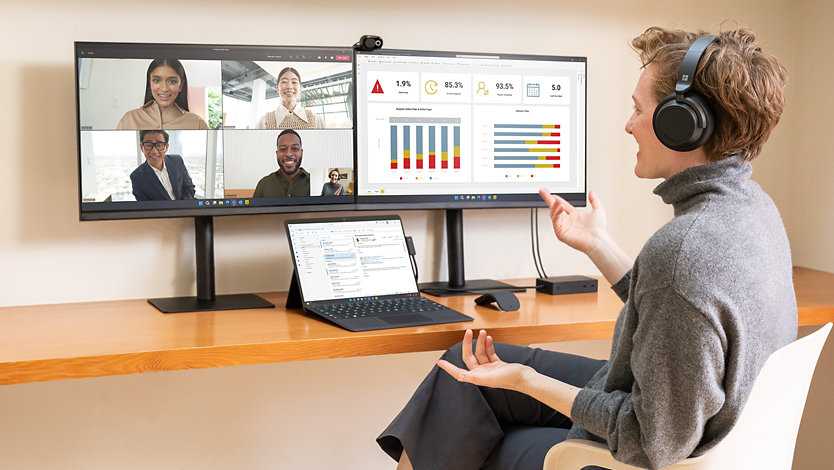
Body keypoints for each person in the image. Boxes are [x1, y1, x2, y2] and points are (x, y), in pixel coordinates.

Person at [377, 26, 797, 470]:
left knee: (465, 442)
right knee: (460, 372)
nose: (628, 124)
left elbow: (650, 440)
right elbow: (677, 315)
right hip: (692, 419)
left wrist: (525, 381)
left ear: (682, 124)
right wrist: (596, 244)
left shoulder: (683, 251)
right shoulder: (754, 210)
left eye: (638, 109)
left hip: (644, 448)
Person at [117, 59, 209, 130]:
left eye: (172, 81)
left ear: (181, 85)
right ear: (150, 83)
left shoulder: (198, 124)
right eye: (156, 80)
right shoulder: (129, 119)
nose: (164, 89)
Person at [130, 130, 196, 201]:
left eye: (159, 145)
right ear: (141, 147)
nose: (154, 151)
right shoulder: (136, 177)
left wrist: (182, 208)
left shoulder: (177, 161)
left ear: (166, 147)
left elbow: (189, 188)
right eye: (149, 145)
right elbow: (145, 207)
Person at [255, 67, 325, 129]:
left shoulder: (315, 120)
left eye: (294, 82)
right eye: (284, 82)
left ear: (300, 89)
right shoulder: (264, 122)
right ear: (277, 88)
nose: (289, 86)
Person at [253, 129, 310, 197]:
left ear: (301, 153)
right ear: (277, 154)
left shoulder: (314, 183)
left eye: (295, 148)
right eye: (283, 149)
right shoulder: (264, 184)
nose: (289, 154)